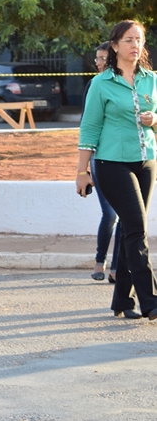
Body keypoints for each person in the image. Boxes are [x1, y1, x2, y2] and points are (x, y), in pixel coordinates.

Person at [77, 19, 157, 320]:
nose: (135, 45)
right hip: (111, 163)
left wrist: (154, 120)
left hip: (147, 160)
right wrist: (81, 172)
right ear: (115, 45)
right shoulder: (101, 83)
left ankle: (122, 300)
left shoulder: (152, 80)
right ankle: (151, 300)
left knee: (127, 228)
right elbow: (89, 129)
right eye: (128, 40)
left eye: (139, 40)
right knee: (137, 228)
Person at [83, 42, 120, 282]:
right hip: (99, 158)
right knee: (109, 213)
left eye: (103, 58)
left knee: (123, 216)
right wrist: (83, 169)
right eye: (97, 58)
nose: (98, 62)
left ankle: (117, 268)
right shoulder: (94, 84)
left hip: (124, 157)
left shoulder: (127, 84)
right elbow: (86, 127)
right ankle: (100, 262)